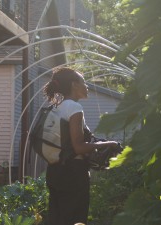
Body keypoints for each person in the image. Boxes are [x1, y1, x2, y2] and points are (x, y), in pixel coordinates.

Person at [43, 67, 119, 225]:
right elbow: (78, 147)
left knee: (57, 218)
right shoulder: (74, 107)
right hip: (73, 173)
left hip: (54, 170)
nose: (87, 86)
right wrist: (110, 143)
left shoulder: (57, 106)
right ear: (74, 85)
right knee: (75, 219)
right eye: (83, 82)